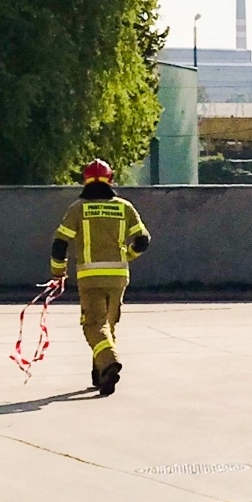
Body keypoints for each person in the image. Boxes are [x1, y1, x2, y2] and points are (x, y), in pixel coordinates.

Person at [50, 160, 150, 396]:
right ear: (111, 180)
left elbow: (59, 243)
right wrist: (128, 255)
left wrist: (57, 272)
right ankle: (101, 374)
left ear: (85, 180)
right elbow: (143, 240)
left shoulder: (78, 208)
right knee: (108, 324)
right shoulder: (124, 207)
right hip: (118, 277)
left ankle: (109, 363)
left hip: (90, 278)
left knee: (93, 325)